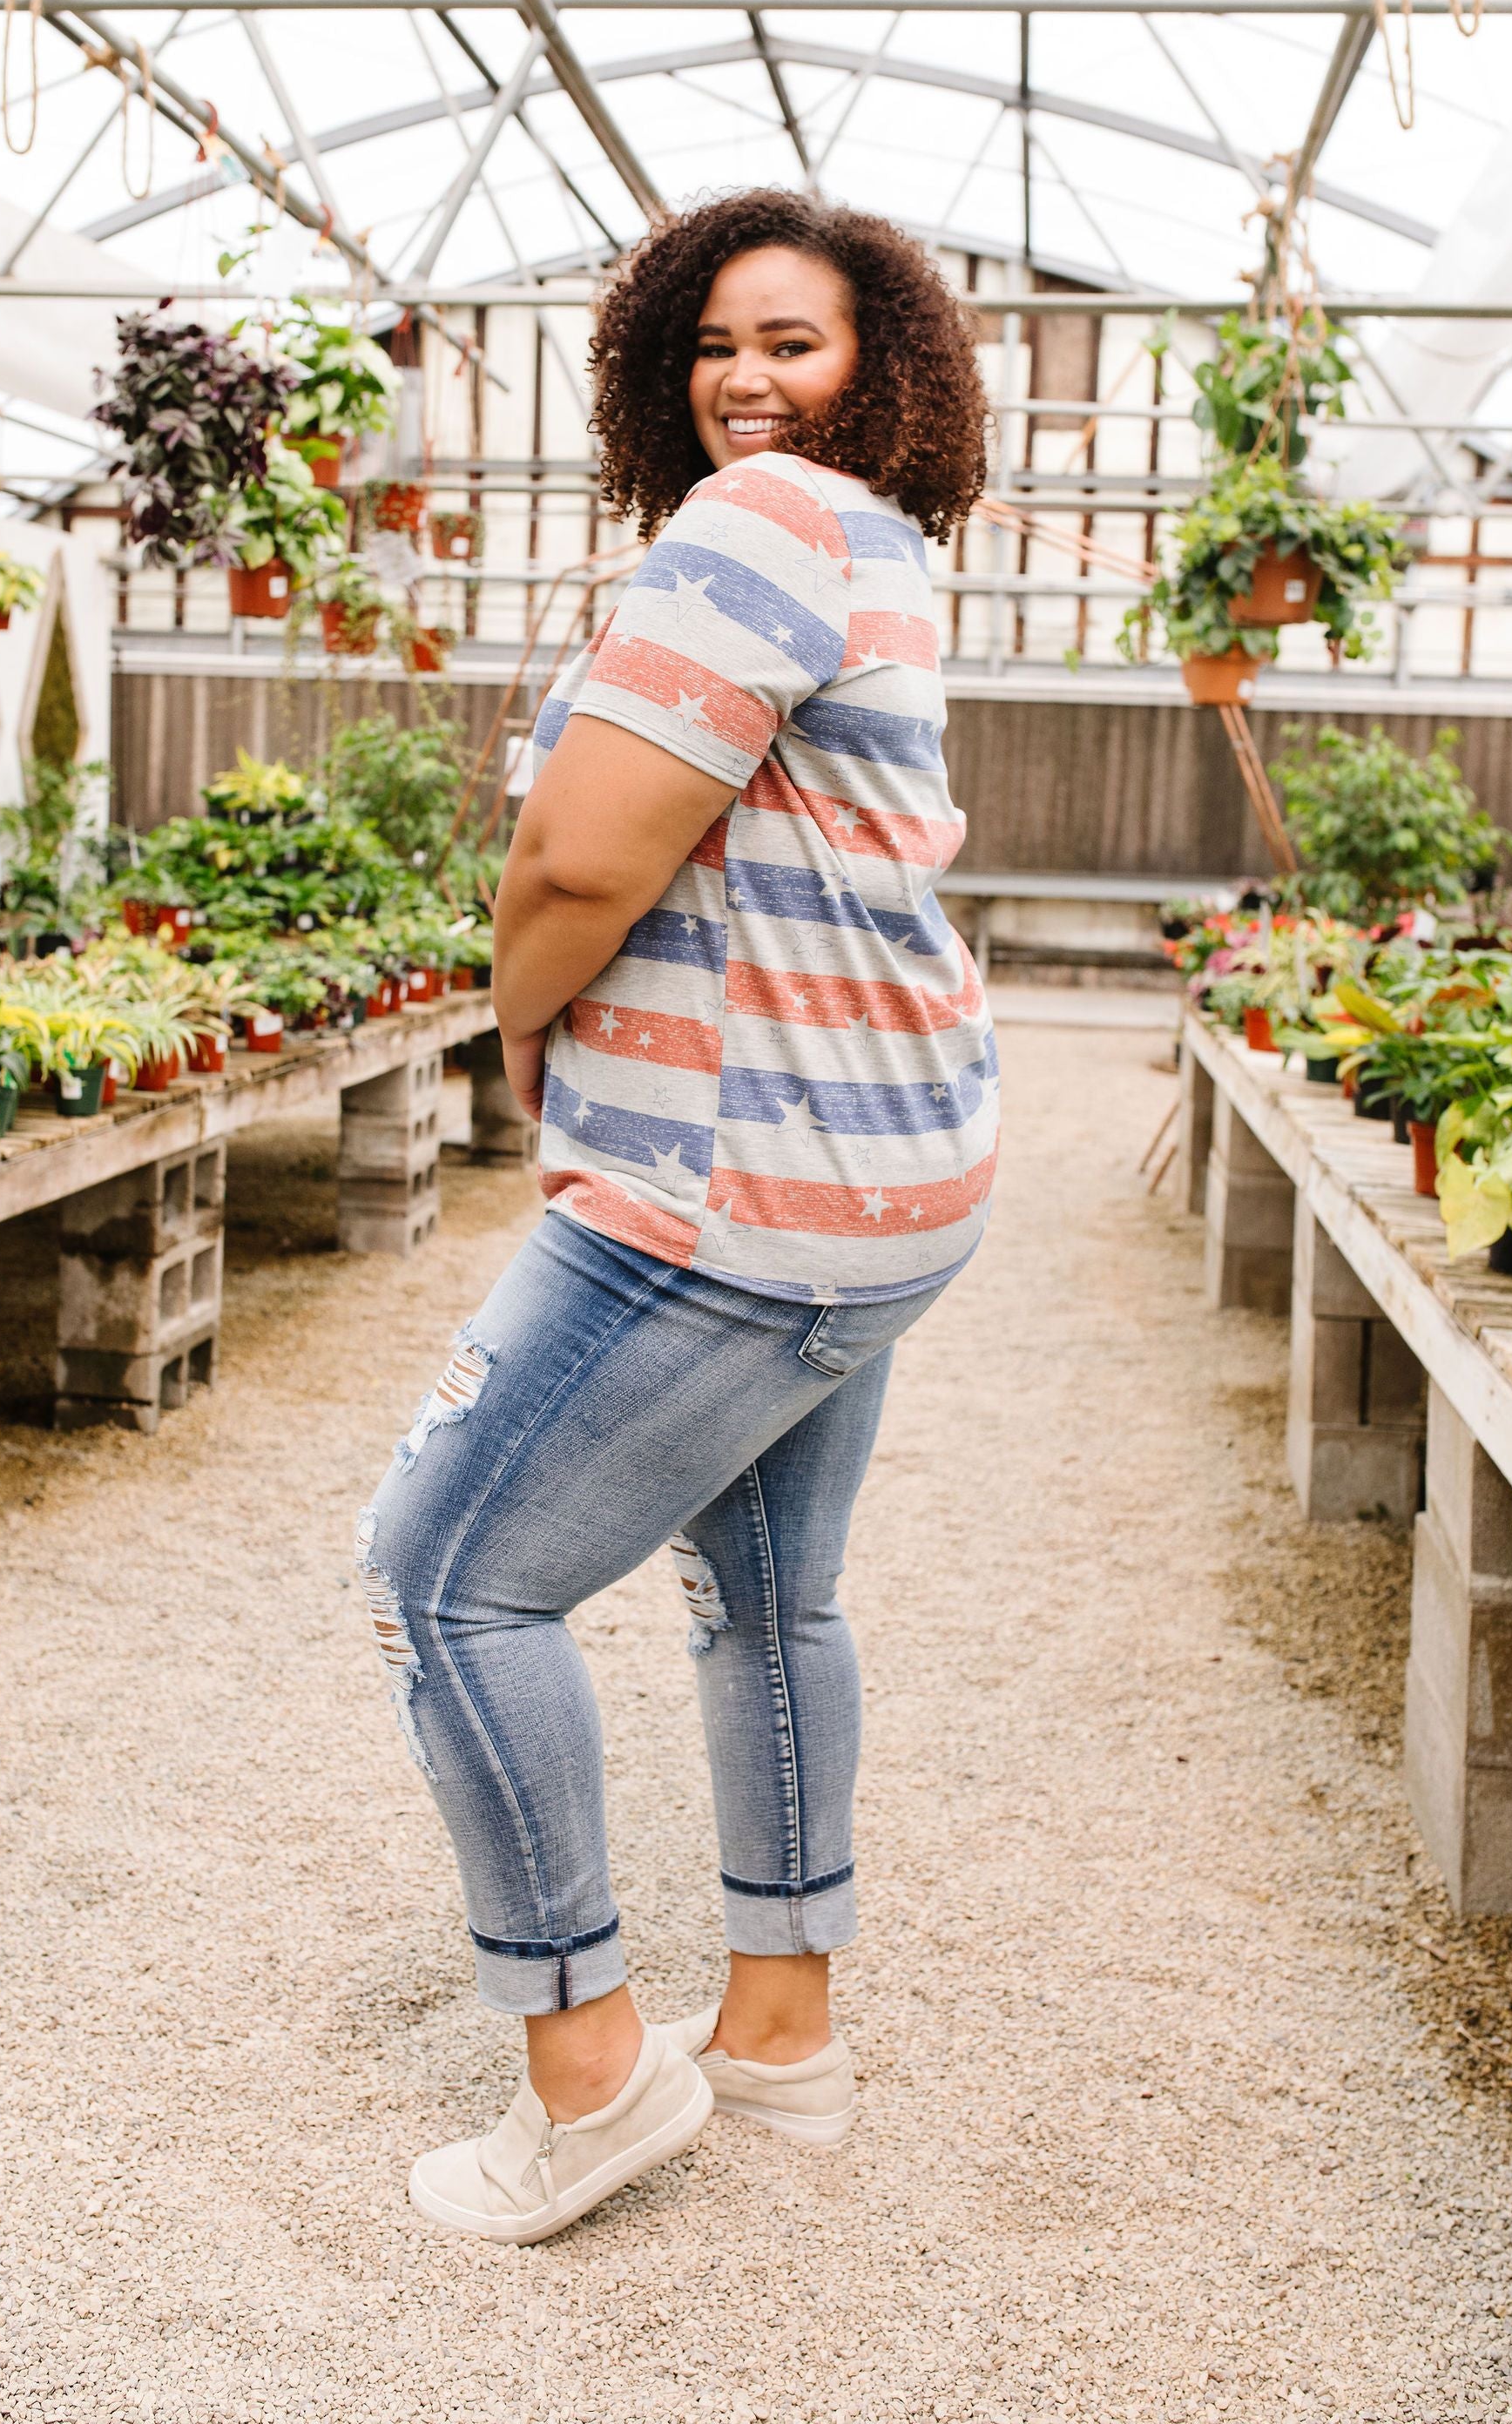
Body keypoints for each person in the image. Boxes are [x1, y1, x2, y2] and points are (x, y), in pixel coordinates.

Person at [358, 188, 996, 2242]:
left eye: (793, 343)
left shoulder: (763, 528)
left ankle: (589, 2076)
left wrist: (523, 1039)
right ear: (660, 365)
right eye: (717, 345)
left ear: (876, 371)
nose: (747, 378)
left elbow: (574, 863)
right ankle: (782, 2037)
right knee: (771, 1597)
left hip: (724, 1183)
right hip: (879, 1176)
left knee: (448, 1581)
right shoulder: (876, 549)